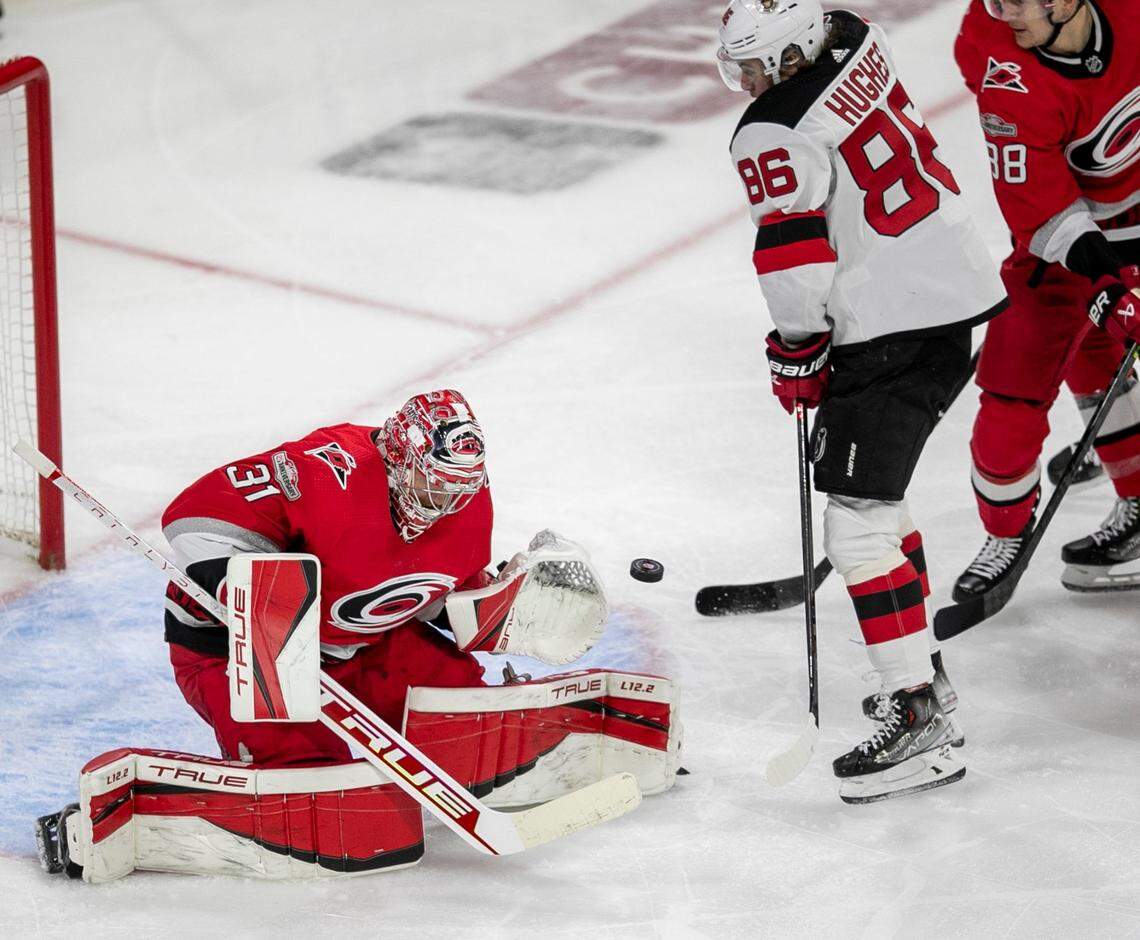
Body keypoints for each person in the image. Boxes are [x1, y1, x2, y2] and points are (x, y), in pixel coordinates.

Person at [36, 389, 680, 882]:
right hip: (239, 658)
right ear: (399, 458)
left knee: (460, 703)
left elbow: (415, 599)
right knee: (326, 785)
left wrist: (485, 610)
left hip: (363, 647)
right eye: (435, 481)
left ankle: (597, 739)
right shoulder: (325, 471)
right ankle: (120, 821)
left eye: (462, 487)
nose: (448, 499)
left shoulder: (465, 503)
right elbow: (191, 515)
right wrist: (256, 601)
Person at [716, 0, 1007, 802]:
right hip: (948, 293)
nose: (744, 82)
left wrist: (796, 348)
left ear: (787, 59)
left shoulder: (773, 129)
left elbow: (792, 251)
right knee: (880, 502)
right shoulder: (855, 39)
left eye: (754, 66)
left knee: (856, 520)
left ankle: (920, 720)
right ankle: (925, 675)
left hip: (891, 323)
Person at [952, 0, 1140, 598]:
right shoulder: (999, 65)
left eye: (1015, 1)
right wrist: (1112, 284)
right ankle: (1006, 531)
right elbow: (1042, 210)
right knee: (1011, 389)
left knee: (1099, 364)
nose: (1001, 13)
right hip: (1066, 247)